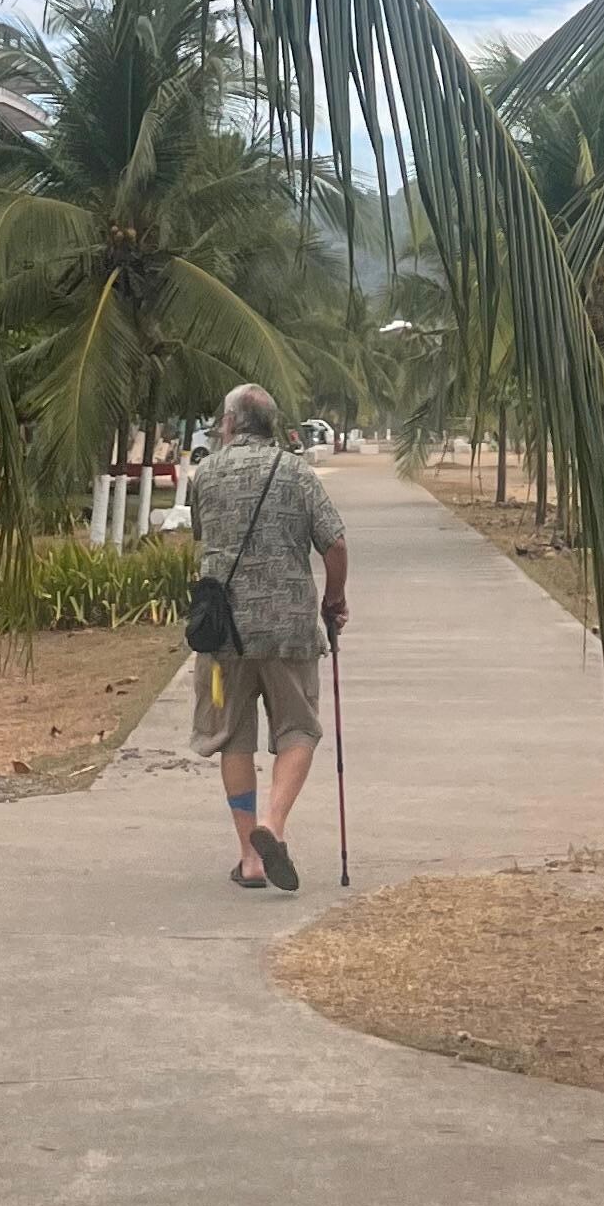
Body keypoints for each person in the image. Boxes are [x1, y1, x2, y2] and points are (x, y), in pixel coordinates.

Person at [187, 382, 346, 892]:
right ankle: (272, 827)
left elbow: (202, 537)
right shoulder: (297, 472)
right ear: (273, 425)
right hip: (290, 630)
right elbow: (335, 542)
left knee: (233, 735)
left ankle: (249, 859)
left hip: (223, 634)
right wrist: (333, 600)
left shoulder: (206, 472)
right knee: (298, 729)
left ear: (230, 424)